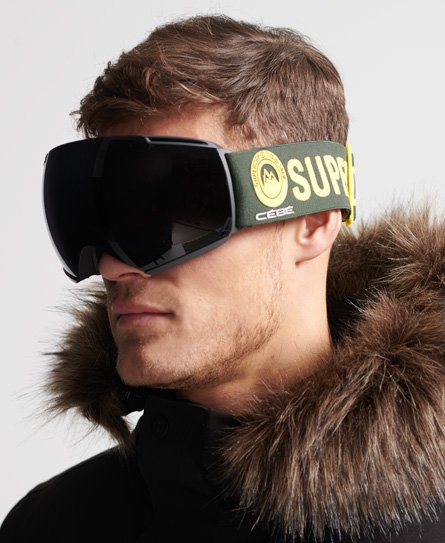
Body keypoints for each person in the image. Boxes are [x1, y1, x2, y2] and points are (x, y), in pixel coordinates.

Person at [1, 14, 444, 543]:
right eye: (105, 218)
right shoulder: (50, 526)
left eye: (175, 213)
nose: (113, 267)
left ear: (313, 220)